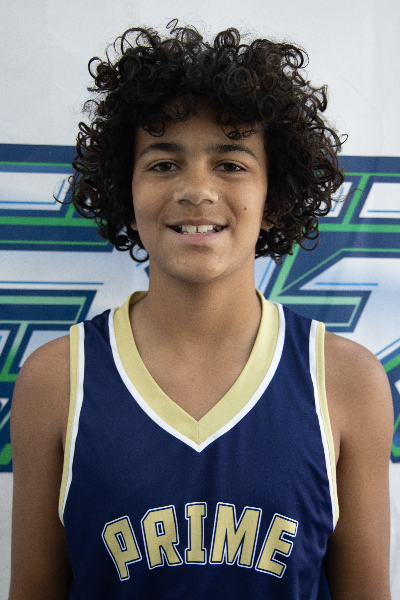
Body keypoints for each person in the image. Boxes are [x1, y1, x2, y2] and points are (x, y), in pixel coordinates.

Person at [9, 22, 393, 600]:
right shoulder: (57, 380)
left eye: (231, 164)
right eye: (163, 164)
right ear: (125, 189)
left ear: (273, 196)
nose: (196, 190)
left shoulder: (346, 381)